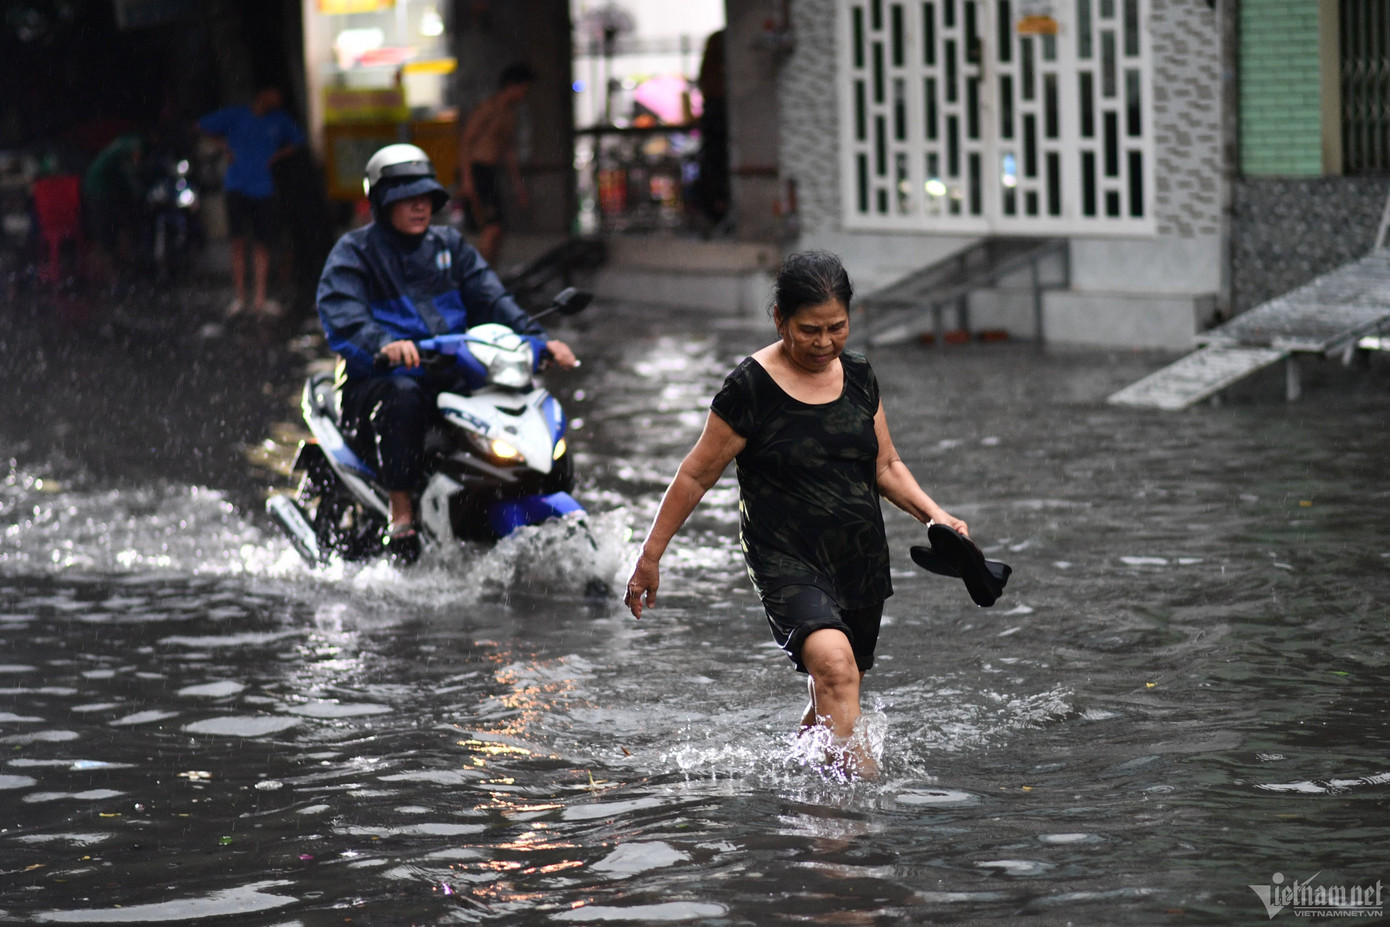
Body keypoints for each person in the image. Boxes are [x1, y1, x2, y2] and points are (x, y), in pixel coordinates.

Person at [623, 251, 970, 779]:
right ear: (779, 318)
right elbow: (695, 475)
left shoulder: (858, 377)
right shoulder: (749, 389)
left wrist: (935, 516)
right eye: (810, 329)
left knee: (836, 688)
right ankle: (851, 820)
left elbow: (886, 464)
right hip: (785, 558)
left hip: (858, 559)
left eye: (838, 327)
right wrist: (650, 557)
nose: (825, 342)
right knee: (835, 668)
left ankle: (792, 790)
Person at [316, 143, 577, 565]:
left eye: (426, 199)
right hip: (378, 379)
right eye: (408, 199)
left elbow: (493, 299)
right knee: (404, 395)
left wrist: (540, 340)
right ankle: (402, 511)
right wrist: (383, 345)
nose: (420, 207)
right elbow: (342, 316)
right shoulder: (354, 252)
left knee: (519, 396)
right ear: (383, 201)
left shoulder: (450, 246)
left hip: (453, 367)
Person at [198, 86, 303, 320]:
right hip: (236, 185)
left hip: (262, 188)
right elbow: (201, 126)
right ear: (264, 93)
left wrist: (274, 156)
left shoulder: (279, 120)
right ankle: (240, 297)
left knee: (261, 243)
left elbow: (298, 140)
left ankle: (260, 298)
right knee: (237, 242)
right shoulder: (236, 115)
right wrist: (223, 147)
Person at [457, 62, 535, 265]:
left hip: (491, 172)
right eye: (523, 89)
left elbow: (508, 152)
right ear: (512, 86)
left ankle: (488, 273)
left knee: (498, 229)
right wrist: (467, 178)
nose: (524, 95)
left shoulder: (510, 114)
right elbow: (467, 141)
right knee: (491, 227)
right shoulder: (487, 108)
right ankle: (480, 276)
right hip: (477, 170)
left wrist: (519, 187)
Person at [81, 131, 143, 287]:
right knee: (106, 235)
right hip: (99, 193)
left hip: (104, 192)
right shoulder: (130, 143)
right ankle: (112, 277)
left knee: (111, 233)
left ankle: (116, 274)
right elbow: (134, 159)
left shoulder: (119, 148)